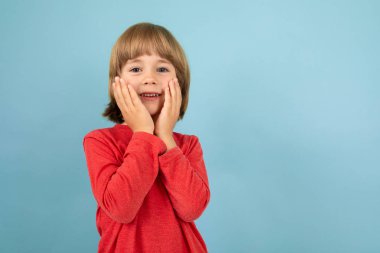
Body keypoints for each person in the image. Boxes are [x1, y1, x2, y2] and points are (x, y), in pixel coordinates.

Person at [82, 22, 211, 253]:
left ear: (179, 84)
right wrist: (143, 133)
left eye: (162, 69)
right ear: (116, 84)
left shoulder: (188, 145)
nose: (149, 78)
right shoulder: (100, 141)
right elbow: (121, 208)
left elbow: (192, 209)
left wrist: (165, 138)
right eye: (135, 69)